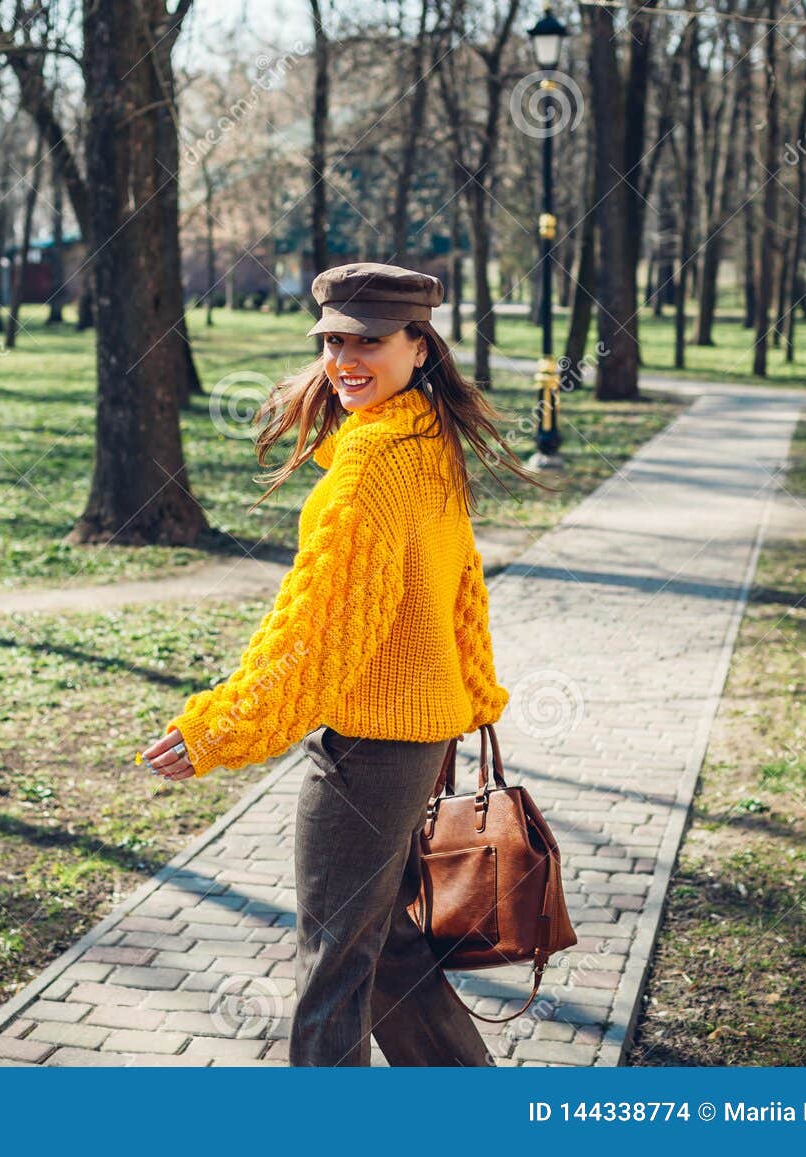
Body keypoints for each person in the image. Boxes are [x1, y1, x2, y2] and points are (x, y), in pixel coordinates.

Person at [140, 261, 557, 1066]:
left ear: (419, 347)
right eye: (333, 340)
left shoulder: (369, 469)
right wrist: (465, 693)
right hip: (421, 735)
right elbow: (455, 585)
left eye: (368, 340)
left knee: (333, 967)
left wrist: (218, 727)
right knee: (384, 946)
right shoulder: (426, 437)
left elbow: (316, 634)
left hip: (370, 749)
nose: (345, 360)